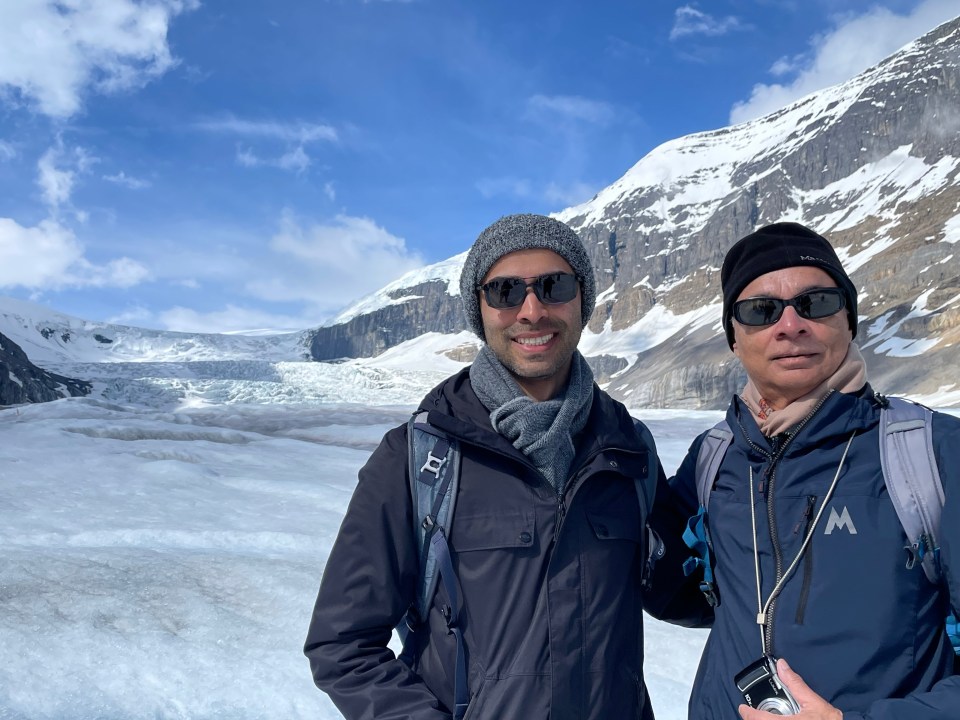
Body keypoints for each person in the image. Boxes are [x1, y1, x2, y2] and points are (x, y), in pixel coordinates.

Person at [304, 213, 664, 719]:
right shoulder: (418, 457)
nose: (532, 311)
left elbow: (690, 592)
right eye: (505, 292)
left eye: (554, 286)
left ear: (583, 299)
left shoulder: (628, 450)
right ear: (479, 309)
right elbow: (342, 645)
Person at [645, 221, 960, 719]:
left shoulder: (932, 452)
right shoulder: (715, 456)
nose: (790, 325)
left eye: (816, 303)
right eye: (760, 310)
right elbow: (681, 593)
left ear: (849, 321)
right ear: (734, 339)